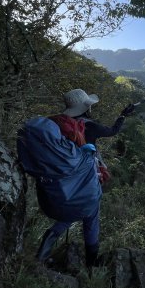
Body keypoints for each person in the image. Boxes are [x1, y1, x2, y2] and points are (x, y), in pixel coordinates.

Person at [35, 88, 134, 266]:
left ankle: (46, 245)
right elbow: (112, 131)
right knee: (91, 212)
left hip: (62, 179)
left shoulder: (55, 123)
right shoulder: (89, 125)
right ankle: (92, 264)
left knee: (73, 208)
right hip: (86, 176)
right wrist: (123, 115)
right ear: (85, 107)